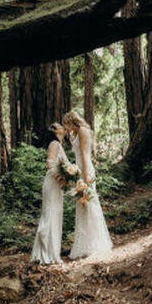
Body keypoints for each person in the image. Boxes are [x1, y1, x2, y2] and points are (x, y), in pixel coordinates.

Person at [62, 110, 113, 259]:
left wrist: (84, 177)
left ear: (72, 121)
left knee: (90, 204)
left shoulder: (83, 131)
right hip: (79, 170)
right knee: (82, 206)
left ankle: (97, 244)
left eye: (67, 124)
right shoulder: (77, 133)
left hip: (85, 170)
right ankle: (85, 244)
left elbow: (84, 154)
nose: (67, 128)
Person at [31, 123, 68, 264]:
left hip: (57, 185)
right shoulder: (54, 144)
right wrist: (60, 177)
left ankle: (53, 253)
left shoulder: (59, 144)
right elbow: (50, 163)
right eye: (60, 126)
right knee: (50, 214)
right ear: (55, 131)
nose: (64, 128)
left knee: (56, 214)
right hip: (52, 183)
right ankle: (45, 253)